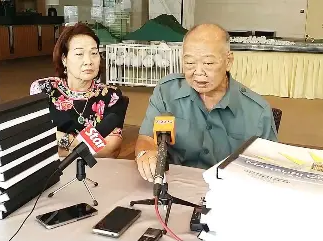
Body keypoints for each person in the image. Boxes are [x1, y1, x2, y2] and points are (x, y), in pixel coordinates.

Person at [135, 24, 278, 182]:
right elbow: (147, 138)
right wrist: (146, 153)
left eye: (208, 63)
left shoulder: (257, 111)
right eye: (189, 63)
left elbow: (268, 170)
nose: (198, 72)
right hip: (173, 187)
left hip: (227, 192)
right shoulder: (166, 92)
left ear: (228, 61)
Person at [30, 23, 126, 158]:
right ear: (64, 59)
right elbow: (37, 142)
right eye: (79, 54)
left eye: (94, 53)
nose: (88, 61)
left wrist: (64, 140)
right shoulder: (44, 89)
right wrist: (85, 146)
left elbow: (110, 149)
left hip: (97, 171)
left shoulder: (111, 96)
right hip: (53, 171)